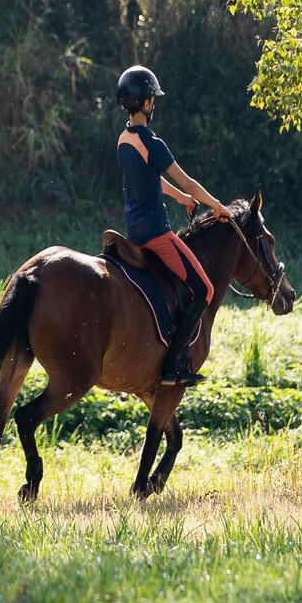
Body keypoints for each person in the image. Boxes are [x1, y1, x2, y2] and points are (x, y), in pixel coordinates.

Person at [114, 64, 228, 386]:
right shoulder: (153, 142)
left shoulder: (124, 140)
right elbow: (190, 182)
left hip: (133, 230)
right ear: (148, 103)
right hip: (155, 234)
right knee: (204, 289)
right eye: (153, 99)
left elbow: (152, 181)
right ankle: (174, 365)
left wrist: (179, 198)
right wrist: (217, 207)